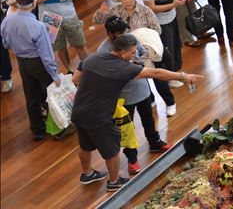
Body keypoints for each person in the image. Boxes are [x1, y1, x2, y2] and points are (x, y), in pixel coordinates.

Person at [71, 33, 202, 190]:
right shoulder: (122, 68)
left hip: (79, 110)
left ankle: (87, 174)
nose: (135, 55)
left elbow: (75, 79)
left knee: (85, 146)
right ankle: (114, 182)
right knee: (111, 149)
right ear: (123, 53)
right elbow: (155, 73)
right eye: (133, 52)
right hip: (99, 116)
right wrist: (182, 76)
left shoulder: (92, 58)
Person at [93, 0, 179, 118]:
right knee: (140, 77)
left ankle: (170, 102)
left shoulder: (145, 10)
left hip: (147, 48)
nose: (127, 1)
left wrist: (144, 39)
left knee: (158, 77)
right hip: (127, 52)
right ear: (120, 0)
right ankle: (150, 100)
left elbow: (157, 29)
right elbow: (98, 21)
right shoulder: (115, 11)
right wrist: (101, 12)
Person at [98, 16, 170, 173]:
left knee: (148, 119)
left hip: (142, 89)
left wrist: (136, 60)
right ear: (110, 34)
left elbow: (144, 54)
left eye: (125, 32)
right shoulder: (103, 52)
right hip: (122, 97)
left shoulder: (130, 39)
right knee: (127, 129)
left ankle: (155, 142)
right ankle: (132, 158)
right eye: (119, 33)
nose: (123, 36)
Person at [0, 0, 60, 141]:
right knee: (49, 95)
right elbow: (46, 55)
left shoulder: (7, 20)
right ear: (34, 2)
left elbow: (6, 44)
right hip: (38, 62)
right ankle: (57, 128)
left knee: (31, 97)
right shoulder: (38, 26)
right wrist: (54, 74)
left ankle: (37, 131)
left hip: (22, 63)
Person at [28, 0, 87, 72]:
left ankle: (88, 68)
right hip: (49, 18)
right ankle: (69, 70)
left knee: (79, 44)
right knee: (60, 47)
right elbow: (30, 3)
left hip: (68, 15)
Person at [140, 0, 188, 82]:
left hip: (171, 17)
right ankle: (170, 77)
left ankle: (176, 73)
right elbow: (152, 9)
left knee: (175, 45)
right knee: (168, 49)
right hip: (161, 22)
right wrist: (174, 5)